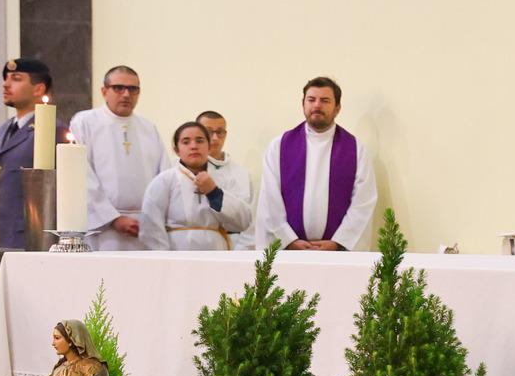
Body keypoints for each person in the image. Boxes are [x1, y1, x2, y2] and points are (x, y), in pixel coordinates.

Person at [256, 76, 379, 251]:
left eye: (325, 101)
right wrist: (288, 239)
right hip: (290, 250)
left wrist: (339, 242)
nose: (317, 105)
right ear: (303, 105)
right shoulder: (279, 146)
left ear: (337, 108)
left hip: (336, 253)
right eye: (311, 100)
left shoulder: (356, 149)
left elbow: (363, 201)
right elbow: (270, 197)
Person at [69, 66, 165, 252]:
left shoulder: (148, 128)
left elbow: (163, 176)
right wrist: (113, 218)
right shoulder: (85, 122)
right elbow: (80, 174)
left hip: (144, 228)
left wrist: (153, 220)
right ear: (104, 91)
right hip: (103, 229)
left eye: (133, 89)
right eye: (119, 88)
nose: (126, 94)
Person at [141, 121, 254, 251]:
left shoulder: (223, 178)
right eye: (186, 142)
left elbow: (243, 222)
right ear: (176, 150)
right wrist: (164, 260)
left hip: (217, 253)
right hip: (176, 254)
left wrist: (214, 192)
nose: (193, 146)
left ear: (209, 147)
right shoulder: (164, 180)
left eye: (200, 141)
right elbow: (151, 226)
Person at [0, 58, 65, 248]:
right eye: (6, 78)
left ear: (38, 89)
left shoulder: (51, 130)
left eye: (16, 79)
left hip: (32, 231)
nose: (6, 84)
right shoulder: (5, 129)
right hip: (4, 229)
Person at [195, 110, 257, 250]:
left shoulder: (242, 174)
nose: (215, 138)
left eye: (220, 132)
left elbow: (251, 221)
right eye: (209, 132)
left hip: (233, 247)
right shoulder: (183, 169)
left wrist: (240, 254)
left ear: (225, 134)